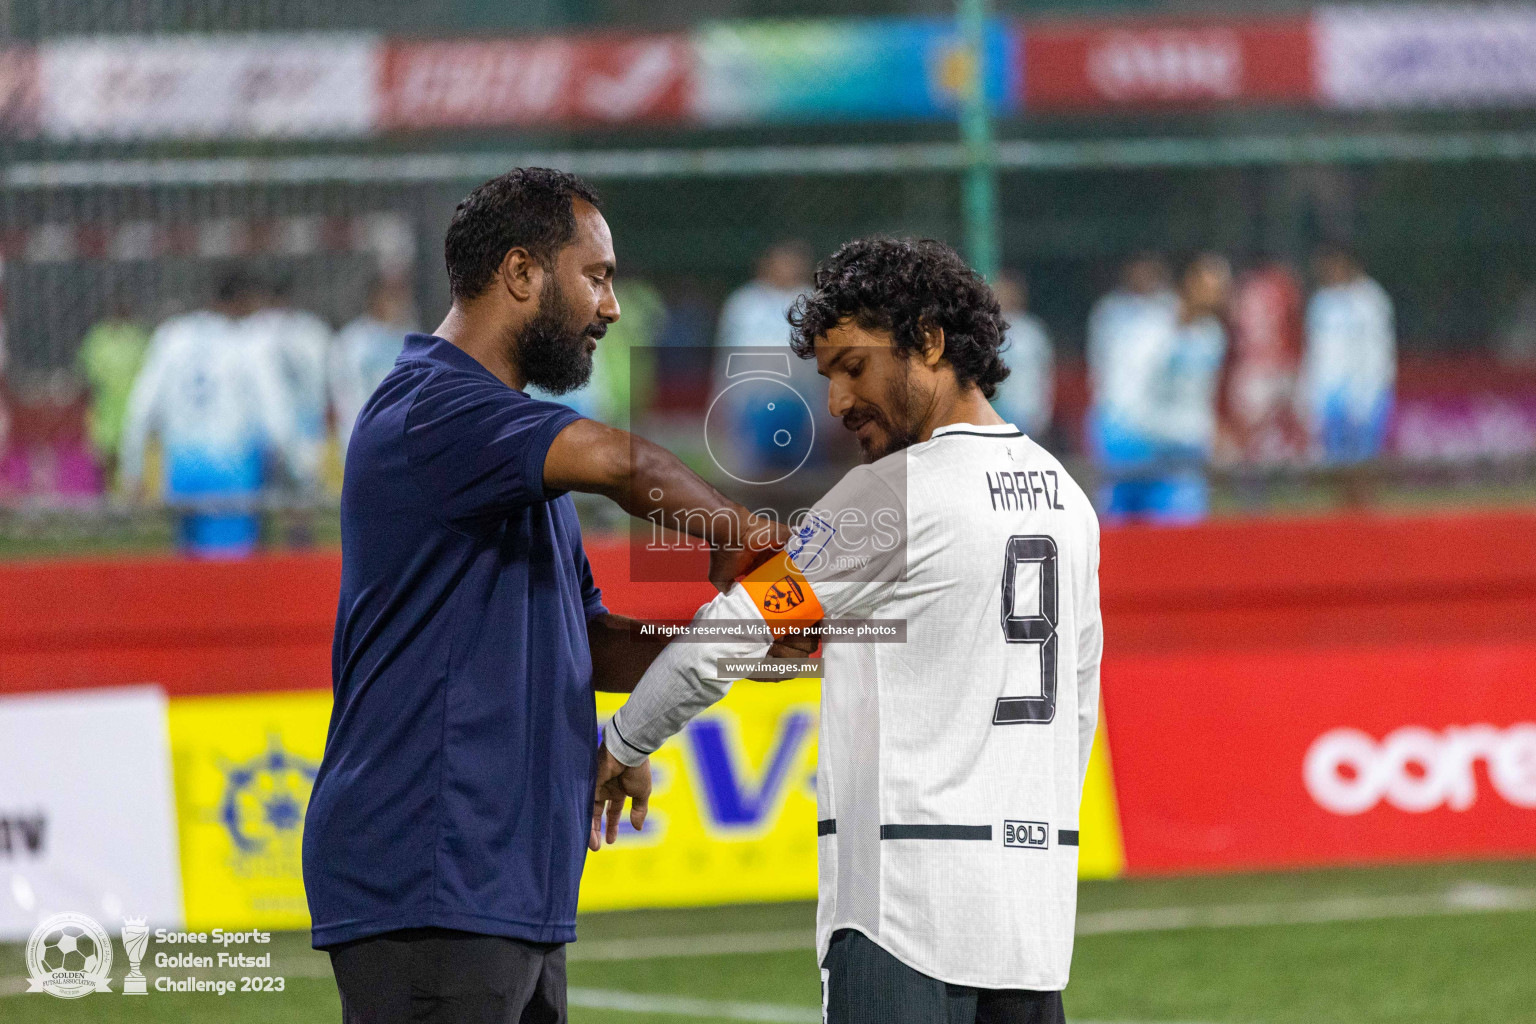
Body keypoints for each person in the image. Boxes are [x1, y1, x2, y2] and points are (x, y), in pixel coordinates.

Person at [302, 168, 804, 1024]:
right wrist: (749, 542)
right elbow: (626, 465)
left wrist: (739, 640)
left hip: (505, 880)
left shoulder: (504, 442)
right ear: (522, 273)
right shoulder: (435, 409)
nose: (612, 307)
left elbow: (595, 639)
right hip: (430, 868)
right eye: (598, 275)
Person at [596, 238, 1103, 1024]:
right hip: (1029, 923)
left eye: (854, 368)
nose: (834, 403)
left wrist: (622, 742)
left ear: (930, 342)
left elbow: (726, 636)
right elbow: (1076, 709)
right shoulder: (1070, 501)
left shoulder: (892, 495)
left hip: (901, 913)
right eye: (827, 376)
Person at [119, 269, 294, 557]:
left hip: (182, 468)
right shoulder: (250, 341)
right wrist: (290, 472)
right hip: (234, 470)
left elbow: (142, 407)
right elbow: (276, 416)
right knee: (230, 576)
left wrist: (132, 468)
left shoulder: (172, 336)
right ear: (244, 301)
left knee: (191, 574)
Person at [1089, 254, 1231, 524]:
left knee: (1179, 539)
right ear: (1189, 283)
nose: (1216, 294)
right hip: (1133, 445)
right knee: (1119, 541)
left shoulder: (1212, 336)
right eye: (1209, 284)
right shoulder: (1149, 327)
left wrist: (1206, 434)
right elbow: (1126, 391)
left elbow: (1199, 398)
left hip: (1181, 453)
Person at [1300, 243, 1395, 466]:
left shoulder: (1371, 300)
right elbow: (1315, 352)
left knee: (1365, 461)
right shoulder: (1321, 302)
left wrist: (1370, 393)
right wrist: (1309, 392)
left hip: (1366, 391)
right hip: (1330, 394)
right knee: (1332, 461)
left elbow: (1379, 351)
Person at [244, 273, 332, 489]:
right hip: (306, 427)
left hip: (264, 429)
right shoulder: (315, 330)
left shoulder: (251, 331)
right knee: (302, 498)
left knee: (262, 496)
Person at [1222, 255, 1306, 466]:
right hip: (1275, 364)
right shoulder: (1282, 284)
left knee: (1257, 431)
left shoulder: (1242, 287)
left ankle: (1259, 479)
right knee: (1271, 429)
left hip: (1254, 368)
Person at [329, 274, 415, 456]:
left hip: (403, 439)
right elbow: (346, 397)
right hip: (365, 440)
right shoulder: (352, 343)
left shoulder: (411, 338)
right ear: (376, 300)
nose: (399, 304)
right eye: (392, 298)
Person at [76, 292, 152, 482]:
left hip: (133, 408)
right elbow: (88, 378)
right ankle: (107, 501)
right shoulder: (98, 338)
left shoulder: (138, 337)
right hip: (106, 410)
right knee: (105, 459)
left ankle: (130, 497)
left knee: (133, 460)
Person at [989, 270, 1054, 439]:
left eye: (1011, 291)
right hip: (994, 411)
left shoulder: (1032, 331)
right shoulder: (985, 329)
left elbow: (1044, 375)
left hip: (1027, 413)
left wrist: (1042, 413)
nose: (1007, 296)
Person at [716, 240, 813, 349]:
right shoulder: (744, 300)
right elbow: (727, 343)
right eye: (781, 262)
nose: (786, 269)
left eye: (792, 262)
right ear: (767, 263)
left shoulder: (812, 301)